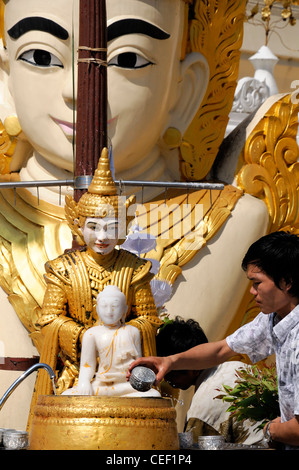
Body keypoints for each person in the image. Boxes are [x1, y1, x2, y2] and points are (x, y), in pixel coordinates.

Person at [27, 148, 162, 430]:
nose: (102, 237)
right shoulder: (62, 268)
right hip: (77, 371)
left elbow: (148, 320)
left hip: (125, 373)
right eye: (93, 227)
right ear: (78, 224)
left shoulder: (134, 268)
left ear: (123, 228)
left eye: (111, 228)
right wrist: (88, 336)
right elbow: (49, 320)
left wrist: (122, 334)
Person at [128, 231, 299, 449]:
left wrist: (270, 430)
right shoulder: (274, 318)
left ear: (287, 282)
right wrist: (169, 362)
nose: (252, 291)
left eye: (257, 283)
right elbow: (221, 350)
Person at [156, 316, 264, 445]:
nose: (165, 378)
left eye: (169, 372)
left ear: (193, 368)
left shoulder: (202, 409)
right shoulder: (240, 368)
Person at [64, 285, 160, 398]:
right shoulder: (91, 334)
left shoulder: (133, 332)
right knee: (66, 395)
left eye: (115, 306)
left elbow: (137, 365)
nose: (109, 311)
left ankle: (123, 399)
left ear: (125, 309)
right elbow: (87, 365)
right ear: (97, 309)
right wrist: (84, 383)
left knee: (153, 394)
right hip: (101, 385)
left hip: (126, 386)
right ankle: (123, 401)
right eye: (104, 306)